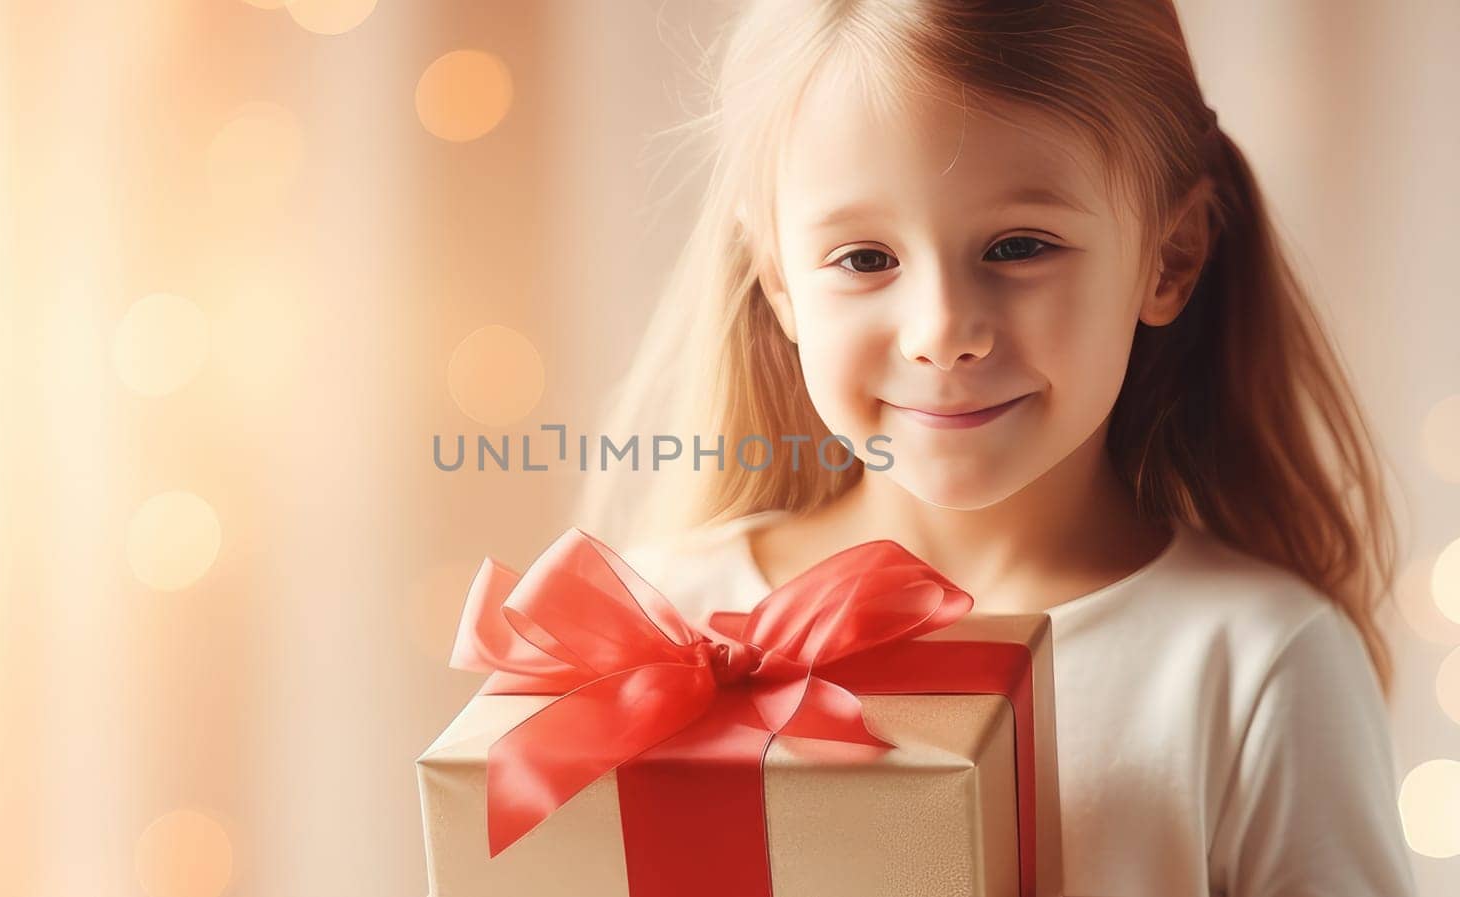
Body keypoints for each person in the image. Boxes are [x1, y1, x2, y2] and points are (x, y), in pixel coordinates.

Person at [574, 1, 1419, 894]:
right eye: (865, 259)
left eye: (1020, 246)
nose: (942, 332)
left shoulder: (1253, 662)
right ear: (779, 282)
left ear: (1170, 256)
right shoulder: (653, 630)